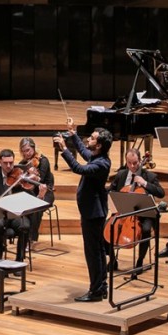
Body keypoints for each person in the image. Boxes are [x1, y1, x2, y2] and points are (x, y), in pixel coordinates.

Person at [53, 121, 113, 302]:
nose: (89, 139)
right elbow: (85, 152)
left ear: (100, 145)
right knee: (98, 251)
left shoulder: (101, 164)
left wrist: (64, 149)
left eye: (93, 138)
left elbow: (78, 168)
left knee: (93, 253)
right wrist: (73, 134)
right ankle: (101, 286)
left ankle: (95, 291)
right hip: (93, 211)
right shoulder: (97, 157)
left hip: (93, 213)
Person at [106, 148, 165, 271]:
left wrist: (145, 183)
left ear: (140, 160)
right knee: (107, 227)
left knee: (146, 229)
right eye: (129, 163)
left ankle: (139, 262)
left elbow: (161, 193)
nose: (132, 166)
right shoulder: (121, 174)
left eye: (135, 163)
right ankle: (112, 260)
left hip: (144, 214)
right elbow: (111, 190)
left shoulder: (149, 176)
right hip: (123, 213)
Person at [18, 137, 55, 244]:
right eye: (23, 151)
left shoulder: (43, 160)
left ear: (34, 148)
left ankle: (31, 237)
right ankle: (22, 234)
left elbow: (42, 180)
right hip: (30, 192)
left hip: (46, 192)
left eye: (28, 150)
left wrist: (33, 175)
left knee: (36, 208)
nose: (26, 154)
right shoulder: (23, 163)